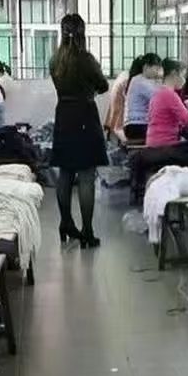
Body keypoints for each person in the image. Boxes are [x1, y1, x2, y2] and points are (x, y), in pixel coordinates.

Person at [50, 13, 109, 248]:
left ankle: (65, 223)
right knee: (86, 176)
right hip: (85, 115)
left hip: (63, 115)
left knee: (65, 173)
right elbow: (103, 85)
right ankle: (87, 231)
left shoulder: (55, 60)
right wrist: (90, 90)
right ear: (82, 33)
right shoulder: (86, 59)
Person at [146, 58, 188, 147]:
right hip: (164, 146)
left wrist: (186, 108)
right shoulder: (170, 94)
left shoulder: (158, 91)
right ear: (174, 74)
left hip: (154, 143)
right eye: (183, 75)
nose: (184, 80)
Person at [123, 53, 163, 141]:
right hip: (137, 126)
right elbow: (160, 98)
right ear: (146, 67)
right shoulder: (140, 82)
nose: (157, 72)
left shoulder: (142, 79)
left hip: (139, 125)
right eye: (156, 68)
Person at [103, 56, 142, 141]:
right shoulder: (126, 81)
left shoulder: (126, 76)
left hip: (119, 120)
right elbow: (118, 114)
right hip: (120, 123)